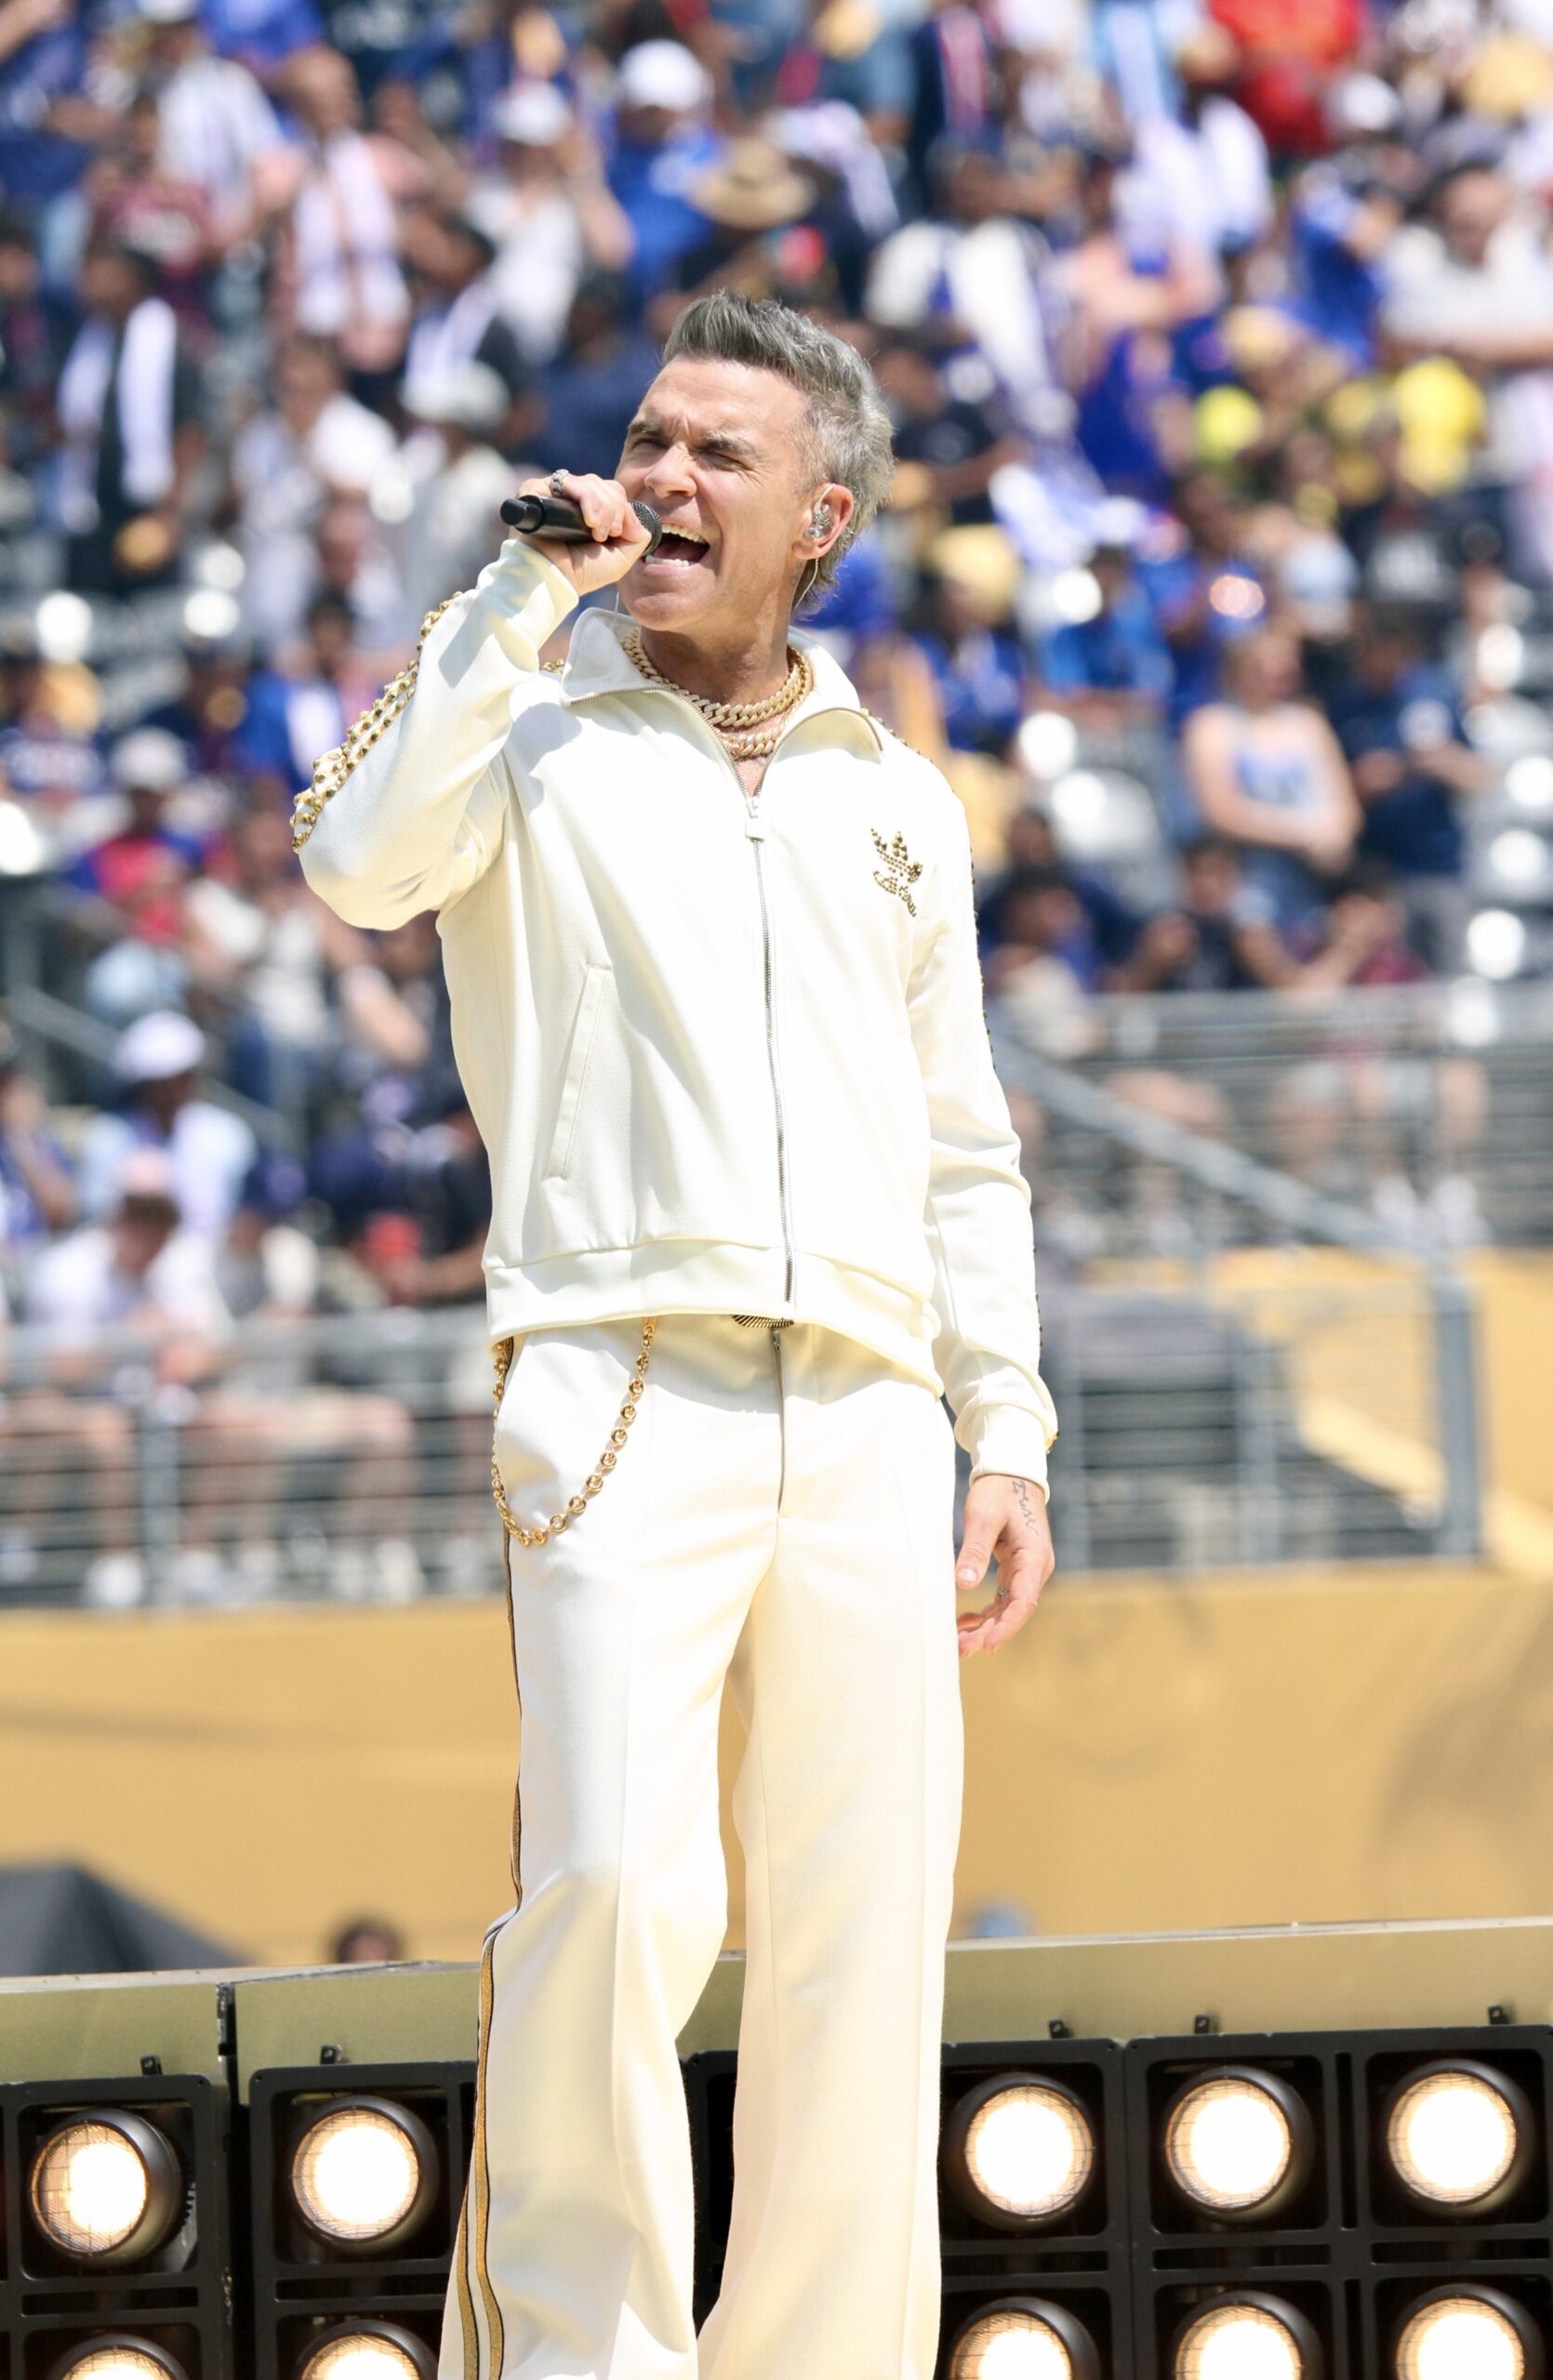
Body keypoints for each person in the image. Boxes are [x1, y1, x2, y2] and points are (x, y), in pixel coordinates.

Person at [296, 288, 1056, 2380]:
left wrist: (1005, 1429)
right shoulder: (518, 716)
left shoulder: (894, 792)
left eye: (718, 454)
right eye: (647, 439)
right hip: (621, 1381)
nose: (661, 479)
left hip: (878, 1413)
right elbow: (352, 863)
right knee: (617, 1892)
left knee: (858, 1942)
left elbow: (960, 1140)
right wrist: (507, 599)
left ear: (823, 516)